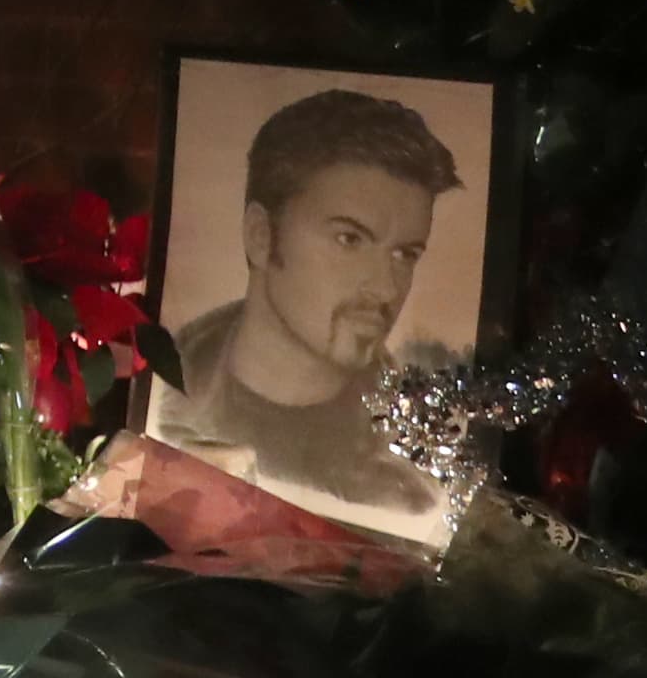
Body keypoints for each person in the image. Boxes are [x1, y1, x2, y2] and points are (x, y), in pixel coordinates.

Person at [149, 86, 466, 526]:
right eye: (349, 239)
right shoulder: (158, 410)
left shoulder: (411, 490)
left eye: (405, 254)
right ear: (261, 235)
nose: (385, 287)